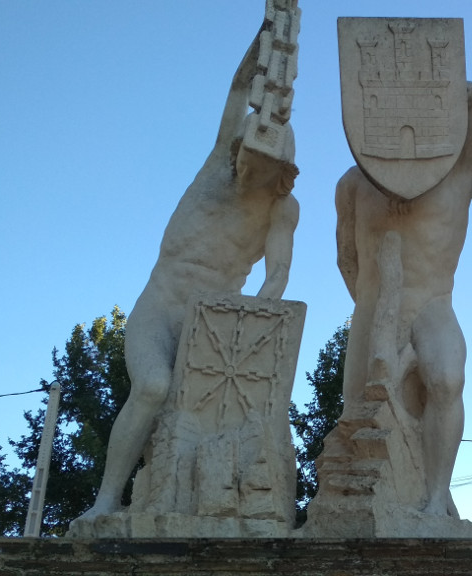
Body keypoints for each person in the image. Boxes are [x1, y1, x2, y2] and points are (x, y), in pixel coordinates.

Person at [76, 34, 299, 521]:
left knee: (202, 426)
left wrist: (250, 329)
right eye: (242, 153)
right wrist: (269, 37)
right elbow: (240, 89)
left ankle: (188, 503)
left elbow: (277, 275)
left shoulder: (282, 209)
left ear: (278, 170)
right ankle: (107, 499)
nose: (243, 164)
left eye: (255, 162)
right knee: (153, 387)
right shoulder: (218, 166)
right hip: (160, 306)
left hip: (212, 328)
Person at [333, 83, 472, 516]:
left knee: (447, 378)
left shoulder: (457, 172)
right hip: (371, 310)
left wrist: (425, 90)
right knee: (358, 414)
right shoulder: (352, 183)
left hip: (433, 303)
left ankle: (437, 496)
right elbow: (346, 256)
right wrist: (371, 306)